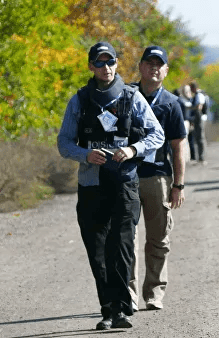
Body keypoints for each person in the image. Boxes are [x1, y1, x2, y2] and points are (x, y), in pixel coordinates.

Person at [57, 41, 165, 330]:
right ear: (91, 66)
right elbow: (64, 143)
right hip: (91, 184)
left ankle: (122, 309)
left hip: (125, 183)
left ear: (117, 64)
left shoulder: (132, 98)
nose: (106, 68)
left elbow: (157, 135)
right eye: (100, 63)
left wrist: (133, 150)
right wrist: (84, 154)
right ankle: (107, 309)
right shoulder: (79, 100)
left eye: (111, 62)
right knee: (98, 249)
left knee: (122, 245)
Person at [129, 46, 187, 311]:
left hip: (158, 178)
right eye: (148, 63)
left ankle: (153, 293)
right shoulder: (125, 96)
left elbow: (178, 147)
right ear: (140, 66)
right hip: (125, 176)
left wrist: (178, 185)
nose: (153, 68)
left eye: (159, 64)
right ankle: (126, 296)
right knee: (124, 238)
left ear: (165, 70)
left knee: (158, 239)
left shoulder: (171, 103)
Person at [188, 81, 207, 164]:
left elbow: (199, 106)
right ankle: (200, 157)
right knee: (198, 138)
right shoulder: (196, 95)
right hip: (197, 118)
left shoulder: (199, 95)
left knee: (200, 138)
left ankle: (202, 158)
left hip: (200, 118)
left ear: (193, 88)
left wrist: (190, 108)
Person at [177, 84, 195, 162]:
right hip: (183, 122)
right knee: (184, 140)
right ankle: (185, 157)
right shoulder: (181, 100)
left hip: (187, 122)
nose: (188, 93)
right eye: (186, 91)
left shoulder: (188, 100)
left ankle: (187, 157)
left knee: (186, 140)